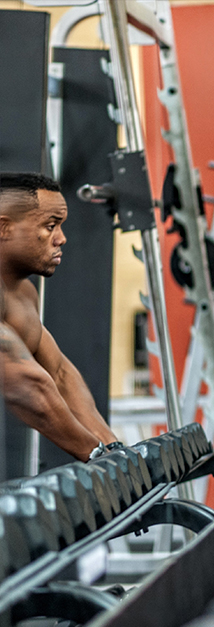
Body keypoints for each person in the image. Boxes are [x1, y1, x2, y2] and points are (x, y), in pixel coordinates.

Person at [0, 172, 119, 463]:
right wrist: (98, 456)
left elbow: (59, 375)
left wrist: (115, 449)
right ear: (4, 228)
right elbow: (28, 387)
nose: (62, 239)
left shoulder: (22, 294)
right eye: (50, 226)